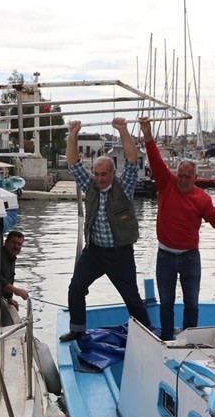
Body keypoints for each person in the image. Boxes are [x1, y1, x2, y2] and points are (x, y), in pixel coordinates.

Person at [138, 117, 215, 339]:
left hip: (190, 258)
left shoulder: (202, 199)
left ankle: (188, 339)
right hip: (165, 255)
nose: (183, 180)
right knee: (165, 302)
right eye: (180, 176)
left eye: (187, 177)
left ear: (195, 178)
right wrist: (147, 135)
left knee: (191, 303)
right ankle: (166, 338)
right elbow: (155, 160)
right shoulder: (166, 184)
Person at [59, 118, 152, 342]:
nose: (99, 179)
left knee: (131, 297)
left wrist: (123, 130)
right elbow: (73, 164)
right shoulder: (90, 185)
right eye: (97, 174)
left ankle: (146, 333)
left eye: (104, 175)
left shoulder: (124, 186)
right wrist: (73, 134)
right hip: (94, 252)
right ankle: (78, 329)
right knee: (76, 288)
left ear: (112, 174)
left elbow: (131, 160)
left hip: (120, 253)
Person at [0, 230, 28, 325]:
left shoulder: (11, 256)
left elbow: (9, 277)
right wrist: (16, 290)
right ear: (6, 242)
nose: (16, 246)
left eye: (19, 244)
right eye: (14, 243)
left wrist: (9, 298)